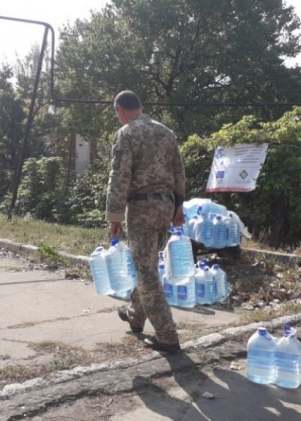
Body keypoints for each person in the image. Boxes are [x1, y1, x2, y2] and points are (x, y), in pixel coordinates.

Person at [107, 90, 186, 353]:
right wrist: (178, 205)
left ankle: (167, 335)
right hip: (165, 206)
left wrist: (115, 217)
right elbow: (179, 171)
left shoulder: (127, 133)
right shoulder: (166, 132)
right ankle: (135, 315)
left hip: (141, 207)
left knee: (147, 272)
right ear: (140, 106)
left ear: (120, 109)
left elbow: (119, 177)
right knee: (147, 265)